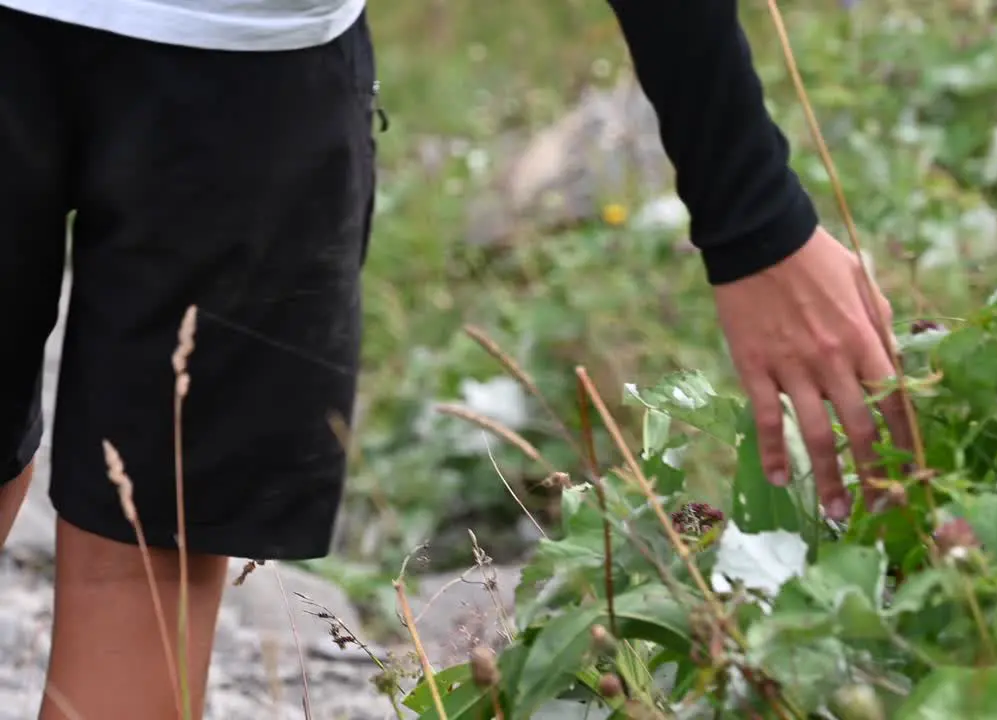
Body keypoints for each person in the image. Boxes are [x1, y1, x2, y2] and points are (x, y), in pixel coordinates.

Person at [0, 0, 909, 717]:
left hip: (255, 64)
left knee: (147, 565)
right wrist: (753, 219)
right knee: (142, 571)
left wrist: (754, 221)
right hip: (249, 75)